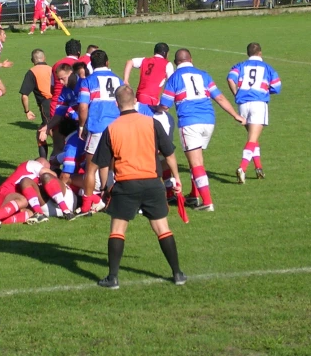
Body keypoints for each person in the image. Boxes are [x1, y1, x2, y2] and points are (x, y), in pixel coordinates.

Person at [92, 85, 186, 289]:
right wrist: (177, 179)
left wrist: (106, 188)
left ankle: (113, 278)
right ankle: (177, 273)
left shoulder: (112, 128)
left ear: (116, 105)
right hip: (153, 183)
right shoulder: (151, 123)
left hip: (126, 184)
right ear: (135, 101)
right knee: (162, 228)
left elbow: (103, 164)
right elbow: (169, 154)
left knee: (118, 229)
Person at [158, 49, 246, 211]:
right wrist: (235, 115)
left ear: (176, 63)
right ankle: (194, 195)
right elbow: (219, 97)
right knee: (197, 159)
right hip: (209, 121)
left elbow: (165, 105)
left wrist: (154, 108)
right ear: (191, 59)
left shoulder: (174, 78)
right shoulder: (203, 74)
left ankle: (207, 202)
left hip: (190, 122)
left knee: (196, 163)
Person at [76, 49, 123, 215]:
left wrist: (81, 126)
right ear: (107, 62)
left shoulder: (88, 81)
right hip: (117, 128)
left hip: (97, 127)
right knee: (113, 166)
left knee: (91, 168)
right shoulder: (119, 80)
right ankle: (111, 198)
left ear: (91, 65)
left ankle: (86, 204)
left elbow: (82, 106)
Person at [227, 43, 281, 183]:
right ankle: (242, 168)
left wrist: (236, 93)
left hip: (243, 104)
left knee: (253, 137)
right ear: (260, 53)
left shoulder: (240, 65)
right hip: (258, 103)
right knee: (252, 139)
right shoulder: (268, 68)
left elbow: (230, 78)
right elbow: (277, 86)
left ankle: (258, 169)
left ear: (247, 53)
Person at [0, 158, 74, 228]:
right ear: (40, 164)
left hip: (6, 205)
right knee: (23, 200)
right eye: (47, 167)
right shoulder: (32, 164)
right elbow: (50, 175)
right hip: (1, 195)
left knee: (29, 213)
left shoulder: (32, 179)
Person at [19, 49, 53, 158]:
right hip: (59, 103)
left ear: (32, 60)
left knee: (53, 134)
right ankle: (44, 162)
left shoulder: (32, 72)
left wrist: (27, 111)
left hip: (47, 105)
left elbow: (24, 95)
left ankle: (56, 163)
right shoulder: (52, 69)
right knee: (41, 133)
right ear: (44, 58)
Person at [50, 38, 82, 116]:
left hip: (56, 105)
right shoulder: (81, 66)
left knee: (53, 127)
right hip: (74, 106)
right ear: (79, 52)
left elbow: (52, 88)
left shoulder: (56, 65)